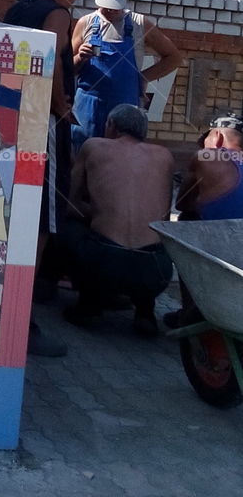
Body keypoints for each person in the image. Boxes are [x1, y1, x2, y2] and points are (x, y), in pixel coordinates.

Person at [5, 0, 86, 357]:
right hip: (45, 128)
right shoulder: (57, 13)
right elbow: (52, 58)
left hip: (11, 124)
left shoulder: (17, 9)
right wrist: (61, 107)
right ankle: (22, 318)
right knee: (44, 217)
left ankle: (7, 305)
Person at [63, 103, 175, 336]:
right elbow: (163, 215)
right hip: (155, 270)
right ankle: (145, 311)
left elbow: (70, 204)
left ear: (112, 126)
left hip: (104, 261)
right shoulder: (164, 155)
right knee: (152, 240)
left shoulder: (93, 146)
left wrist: (102, 212)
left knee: (67, 226)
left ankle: (89, 303)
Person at [71, 0, 181, 147]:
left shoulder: (139, 24)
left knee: (120, 158)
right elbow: (67, 68)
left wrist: (143, 77)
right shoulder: (86, 23)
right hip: (87, 107)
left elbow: (174, 58)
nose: (111, 11)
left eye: (115, 6)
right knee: (80, 155)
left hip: (124, 109)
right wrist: (80, 57)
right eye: (106, 6)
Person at [163, 110, 243, 330]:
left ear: (216, 137)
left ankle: (188, 314)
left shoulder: (207, 158)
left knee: (186, 220)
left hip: (223, 250)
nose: (202, 146)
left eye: (204, 139)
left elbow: (182, 204)